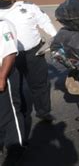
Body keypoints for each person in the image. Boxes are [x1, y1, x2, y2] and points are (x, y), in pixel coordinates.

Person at [0, 0, 57, 121]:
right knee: (15, 88)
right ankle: (19, 115)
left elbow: (44, 22)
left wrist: (55, 38)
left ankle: (43, 112)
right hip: (8, 57)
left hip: (33, 53)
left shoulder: (28, 7)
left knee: (40, 84)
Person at [0, 18, 25, 165]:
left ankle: (15, 146)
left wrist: (2, 77)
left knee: (9, 113)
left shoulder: (3, 24)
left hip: (4, 72)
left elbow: (10, 53)